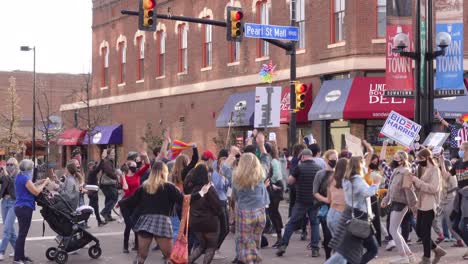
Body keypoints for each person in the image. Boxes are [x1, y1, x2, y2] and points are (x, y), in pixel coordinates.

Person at [118, 161, 210, 264]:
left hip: (145, 222)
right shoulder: (169, 187)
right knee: (169, 257)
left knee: (141, 258)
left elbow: (127, 202)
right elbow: (184, 200)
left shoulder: (144, 187)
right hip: (162, 222)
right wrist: (201, 193)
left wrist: (129, 220)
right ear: (164, 172)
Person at [325, 156, 381, 264]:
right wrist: (376, 184)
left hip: (350, 215)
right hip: (360, 217)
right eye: (362, 164)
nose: (364, 165)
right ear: (359, 165)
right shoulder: (357, 179)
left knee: (348, 252)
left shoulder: (346, 179)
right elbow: (367, 193)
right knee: (372, 249)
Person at [276, 148, 323, 258]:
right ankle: (315, 249)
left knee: (291, 223)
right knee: (314, 224)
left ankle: (283, 246)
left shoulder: (299, 167)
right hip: (314, 201)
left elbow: (289, 181)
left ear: (302, 157)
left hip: (301, 200)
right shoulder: (319, 168)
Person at [380, 151, 417, 264]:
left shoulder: (406, 172)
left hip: (402, 203)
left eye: (396, 158)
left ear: (402, 160)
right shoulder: (396, 171)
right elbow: (391, 188)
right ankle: (409, 256)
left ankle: (403, 256)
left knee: (393, 230)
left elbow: (409, 190)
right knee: (394, 230)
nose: (394, 160)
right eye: (394, 158)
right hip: (395, 202)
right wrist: (386, 200)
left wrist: (414, 208)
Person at [233, 152, 269, 264]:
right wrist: (262, 144)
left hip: (245, 213)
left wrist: (232, 154)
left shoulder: (236, 177)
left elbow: (235, 196)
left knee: (244, 244)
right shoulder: (261, 175)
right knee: (255, 242)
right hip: (260, 213)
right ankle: (255, 260)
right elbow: (266, 160)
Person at [412, 148, 447, 264]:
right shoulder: (424, 169)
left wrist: (418, 181)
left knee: (425, 232)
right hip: (421, 204)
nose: (418, 161)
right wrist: (414, 183)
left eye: (420, 158)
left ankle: (426, 258)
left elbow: (434, 188)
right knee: (419, 231)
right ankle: (437, 250)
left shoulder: (435, 170)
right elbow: (421, 186)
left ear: (426, 158)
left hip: (430, 204)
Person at [14, 159, 50, 264]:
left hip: (20, 207)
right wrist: (45, 183)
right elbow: (36, 192)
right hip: (25, 208)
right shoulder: (25, 178)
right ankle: (17, 258)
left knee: (22, 234)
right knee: (22, 234)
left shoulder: (20, 176)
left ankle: (21, 256)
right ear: (29, 169)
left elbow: (30, 185)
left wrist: (39, 182)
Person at [188, 164, 222, 264]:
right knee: (211, 247)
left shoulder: (191, 188)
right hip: (209, 222)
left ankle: (188, 261)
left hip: (195, 222)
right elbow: (218, 206)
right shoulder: (208, 189)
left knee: (202, 246)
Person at [121, 152, 150, 253]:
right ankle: (125, 246)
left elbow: (147, 165)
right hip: (126, 204)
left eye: (135, 166)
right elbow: (127, 191)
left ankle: (137, 245)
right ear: (128, 167)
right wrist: (123, 177)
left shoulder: (137, 174)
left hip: (136, 203)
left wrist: (145, 156)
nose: (135, 167)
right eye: (133, 166)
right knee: (129, 225)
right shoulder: (124, 177)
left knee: (137, 223)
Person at [312, 149, 338, 259]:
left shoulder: (339, 174)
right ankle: (328, 258)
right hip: (324, 208)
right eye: (333, 159)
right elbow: (314, 192)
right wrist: (326, 199)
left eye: (337, 159)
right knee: (327, 234)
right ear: (326, 160)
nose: (335, 161)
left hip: (337, 208)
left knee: (336, 235)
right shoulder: (320, 174)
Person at [451, 142, 468, 259]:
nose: (459, 151)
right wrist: (441, 161)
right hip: (459, 197)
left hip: (467, 197)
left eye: (461, 149)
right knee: (455, 225)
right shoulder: (458, 163)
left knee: (462, 226)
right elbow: (447, 175)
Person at [266, 141, 284, 248]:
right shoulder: (274, 160)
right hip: (275, 186)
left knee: (274, 212)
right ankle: (279, 236)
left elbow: (276, 176)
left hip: (275, 187)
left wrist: (271, 183)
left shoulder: (273, 161)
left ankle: (280, 237)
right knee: (274, 212)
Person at [0, 158, 19, 260]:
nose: (9, 166)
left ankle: (1, 251)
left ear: (16, 166)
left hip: (13, 203)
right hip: (4, 202)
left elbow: (12, 183)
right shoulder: (5, 175)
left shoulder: (18, 176)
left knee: (7, 229)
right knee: (10, 229)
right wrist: (1, 173)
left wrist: (6, 173)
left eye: (11, 164)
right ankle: (18, 250)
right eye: (7, 164)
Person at [326, 158, 348, 236]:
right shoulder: (347, 181)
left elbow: (329, 200)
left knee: (335, 240)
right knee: (341, 242)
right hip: (341, 213)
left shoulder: (331, 179)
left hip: (331, 213)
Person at [98, 149, 119, 222]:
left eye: (114, 153)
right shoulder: (107, 162)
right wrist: (116, 176)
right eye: (112, 153)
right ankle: (104, 212)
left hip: (107, 183)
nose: (114, 154)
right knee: (114, 197)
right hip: (107, 183)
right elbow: (109, 172)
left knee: (109, 199)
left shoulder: (109, 161)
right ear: (108, 154)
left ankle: (108, 216)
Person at [86, 160, 106, 226]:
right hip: (92, 194)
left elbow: (97, 168)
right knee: (90, 209)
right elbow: (97, 169)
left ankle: (99, 221)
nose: (93, 166)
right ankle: (85, 221)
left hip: (93, 193)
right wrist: (102, 160)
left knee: (96, 208)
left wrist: (97, 163)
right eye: (92, 166)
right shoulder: (92, 173)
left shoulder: (91, 173)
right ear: (89, 167)